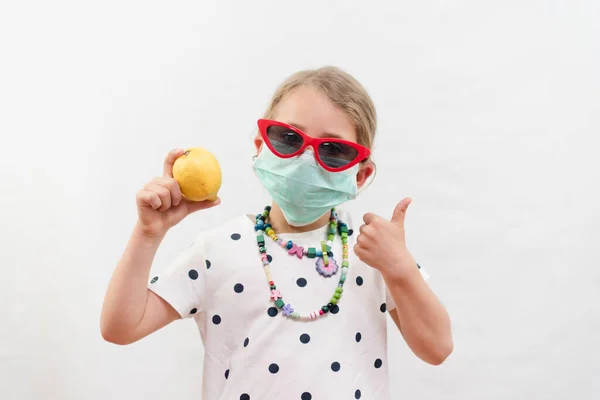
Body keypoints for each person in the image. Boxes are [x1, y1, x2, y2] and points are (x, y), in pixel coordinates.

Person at [100, 66, 453, 400]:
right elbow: (120, 328)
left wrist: (401, 269)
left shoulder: (374, 253)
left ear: (359, 176)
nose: (306, 158)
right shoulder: (217, 250)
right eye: (287, 138)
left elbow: (437, 349)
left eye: (333, 149)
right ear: (260, 146)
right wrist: (148, 234)